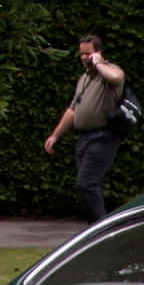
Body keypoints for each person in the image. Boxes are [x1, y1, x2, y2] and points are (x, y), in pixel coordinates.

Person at [43, 34, 126, 222]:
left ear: (98, 53)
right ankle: (93, 229)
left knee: (86, 183)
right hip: (84, 137)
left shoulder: (110, 71)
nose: (84, 58)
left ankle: (101, 228)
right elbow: (73, 110)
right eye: (81, 54)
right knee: (85, 186)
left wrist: (98, 64)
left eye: (88, 53)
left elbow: (116, 77)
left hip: (103, 136)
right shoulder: (84, 78)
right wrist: (55, 135)